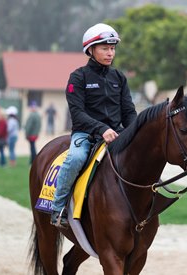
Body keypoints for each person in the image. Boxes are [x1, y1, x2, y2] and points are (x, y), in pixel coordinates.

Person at [50, 23, 137, 228]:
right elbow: (77, 114)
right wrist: (102, 129)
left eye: (113, 48)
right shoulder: (78, 77)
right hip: (86, 134)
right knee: (76, 158)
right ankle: (58, 207)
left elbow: (128, 111)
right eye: (105, 48)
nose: (110, 53)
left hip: (117, 134)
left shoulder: (119, 78)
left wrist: (135, 131)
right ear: (91, 50)